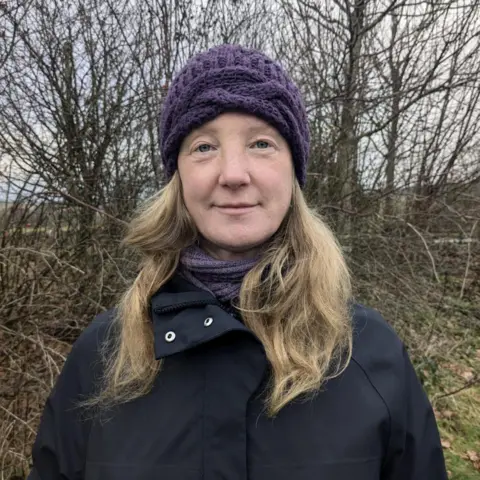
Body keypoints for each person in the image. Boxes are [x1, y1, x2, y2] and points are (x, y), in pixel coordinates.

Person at [28, 44, 448, 480]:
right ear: (178, 177)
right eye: (204, 146)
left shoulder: (368, 354)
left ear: (293, 170)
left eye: (261, 143)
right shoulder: (102, 359)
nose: (232, 173)